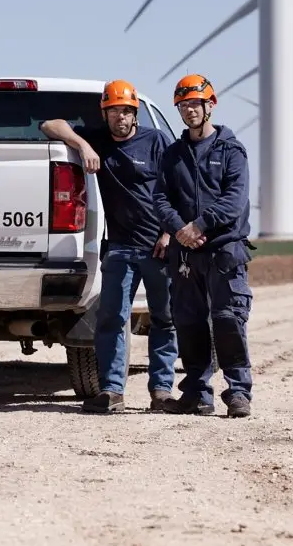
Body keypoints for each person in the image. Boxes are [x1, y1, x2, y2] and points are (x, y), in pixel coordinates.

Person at [41, 79, 178, 414]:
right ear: (105, 114)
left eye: (126, 111)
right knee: (112, 319)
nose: (120, 117)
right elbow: (48, 125)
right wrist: (82, 146)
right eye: (114, 111)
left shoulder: (156, 141)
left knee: (164, 319)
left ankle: (161, 391)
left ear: (136, 114)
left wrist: (169, 233)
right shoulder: (97, 139)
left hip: (158, 248)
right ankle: (112, 390)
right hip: (119, 249)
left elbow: (177, 188)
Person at [153, 74, 254, 418]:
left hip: (224, 252)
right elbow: (161, 198)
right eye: (183, 105)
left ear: (210, 105)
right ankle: (197, 393)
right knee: (189, 322)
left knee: (228, 320)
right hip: (185, 254)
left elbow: (235, 201)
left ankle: (238, 391)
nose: (189, 110)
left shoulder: (232, 151)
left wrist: (200, 224)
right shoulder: (173, 154)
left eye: (195, 103)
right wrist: (179, 228)